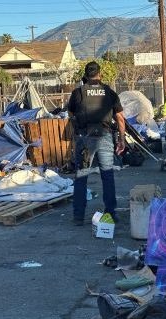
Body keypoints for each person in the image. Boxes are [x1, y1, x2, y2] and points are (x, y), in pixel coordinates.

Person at [67, 61, 126, 226]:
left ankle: (78, 217)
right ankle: (111, 214)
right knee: (107, 176)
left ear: (85, 75)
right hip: (105, 137)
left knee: (81, 177)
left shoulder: (78, 93)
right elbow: (120, 118)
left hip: (85, 139)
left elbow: (70, 113)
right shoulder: (110, 92)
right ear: (100, 74)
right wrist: (121, 139)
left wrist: (76, 131)